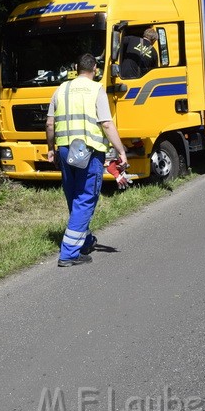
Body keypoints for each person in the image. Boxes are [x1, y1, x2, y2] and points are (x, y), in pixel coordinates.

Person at [46, 53, 128, 267]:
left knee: (74, 195)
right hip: (88, 152)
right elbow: (107, 124)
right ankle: (69, 253)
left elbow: (49, 124)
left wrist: (51, 149)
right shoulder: (96, 89)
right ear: (95, 69)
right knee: (85, 198)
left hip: (65, 150)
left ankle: (85, 241)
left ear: (75, 67)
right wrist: (121, 151)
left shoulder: (61, 89)